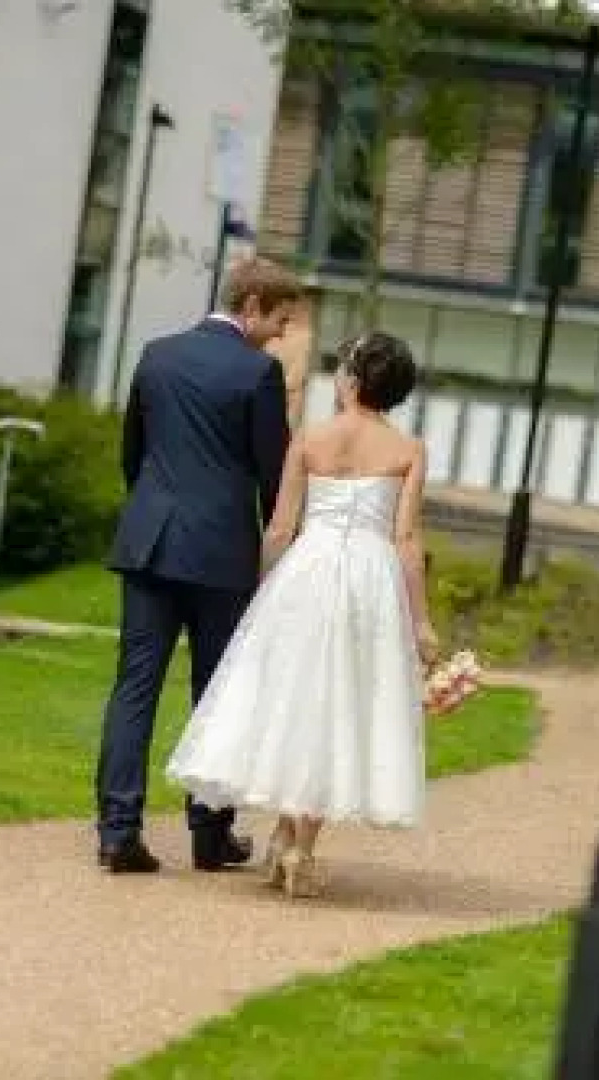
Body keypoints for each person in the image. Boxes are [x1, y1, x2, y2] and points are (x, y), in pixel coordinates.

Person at [166, 331, 438, 899]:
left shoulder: (310, 440)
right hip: (369, 576)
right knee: (339, 702)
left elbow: (280, 528)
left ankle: (285, 841)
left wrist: (264, 589)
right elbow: (407, 539)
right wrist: (421, 620)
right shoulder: (409, 451)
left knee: (298, 698)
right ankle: (300, 848)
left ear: (353, 380)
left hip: (308, 571)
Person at [94, 256, 303, 874]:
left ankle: (117, 831)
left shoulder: (157, 354)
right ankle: (210, 836)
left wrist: (154, 512)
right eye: (280, 321)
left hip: (150, 544)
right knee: (216, 694)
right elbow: (275, 478)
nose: (283, 335)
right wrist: (278, 549)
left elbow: (132, 454)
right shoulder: (258, 373)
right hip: (219, 555)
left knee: (134, 687)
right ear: (253, 305)